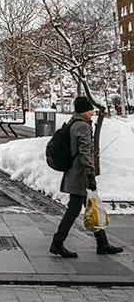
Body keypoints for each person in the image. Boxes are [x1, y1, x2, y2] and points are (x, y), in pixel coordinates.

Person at [50, 96, 123, 258]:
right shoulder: (82, 126)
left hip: (75, 173)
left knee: (91, 207)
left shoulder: (72, 123)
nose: (92, 113)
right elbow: (85, 153)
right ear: (84, 111)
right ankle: (58, 242)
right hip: (80, 175)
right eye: (90, 110)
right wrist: (90, 175)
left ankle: (102, 242)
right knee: (75, 209)